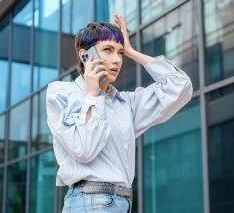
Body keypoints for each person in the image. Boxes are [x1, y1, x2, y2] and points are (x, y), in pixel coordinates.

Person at [46, 13, 193, 213]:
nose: (116, 60)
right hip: (88, 203)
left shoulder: (125, 103)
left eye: (120, 53)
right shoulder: (62, 94)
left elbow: (180, 86)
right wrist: (93, 94)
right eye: (107, 50)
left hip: (122, 203)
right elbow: (84, 149)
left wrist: (131, 51)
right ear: (85, 55)